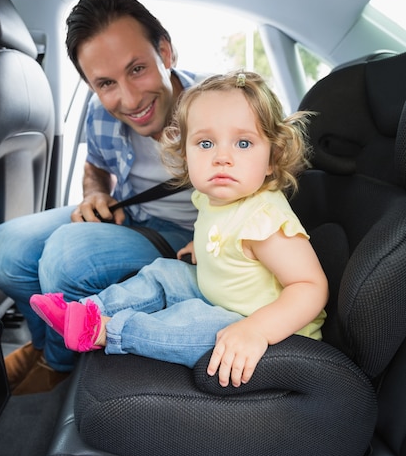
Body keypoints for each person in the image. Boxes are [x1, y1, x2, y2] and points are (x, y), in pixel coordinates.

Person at [29, 71, 328, 388]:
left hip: (270, 333)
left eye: (243, 143)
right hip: (223, 300)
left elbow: (310, 287)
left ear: (272, 158)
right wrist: (201, 247)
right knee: (163, 271)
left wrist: (256, 330)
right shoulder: (210, 198)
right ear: (185, 154)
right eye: (205, 143)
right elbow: (220, 232)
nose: (221, 157)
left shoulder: (265, 221)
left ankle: (109, 331)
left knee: (196, 325)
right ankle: (90, 309)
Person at [0, 0, 198, 394]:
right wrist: (94, 194)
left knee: (66, 261)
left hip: (197, 237)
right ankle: (43, 344)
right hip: (134, 218)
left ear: (166, 53)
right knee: (2, 248)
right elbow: (96, 166)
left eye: (137, 68)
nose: (130, 99)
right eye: (105, 83)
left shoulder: (218, 105)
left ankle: (57, 366)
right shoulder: (100, 112)